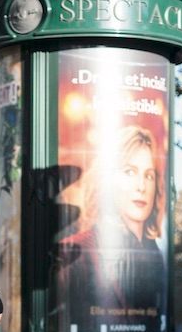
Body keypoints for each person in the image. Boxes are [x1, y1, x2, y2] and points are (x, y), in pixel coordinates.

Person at [56, 126, 166, 313]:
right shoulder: (73, 252)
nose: (141, 186)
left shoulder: (157, 256)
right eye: (129, 172)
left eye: (149, 175)